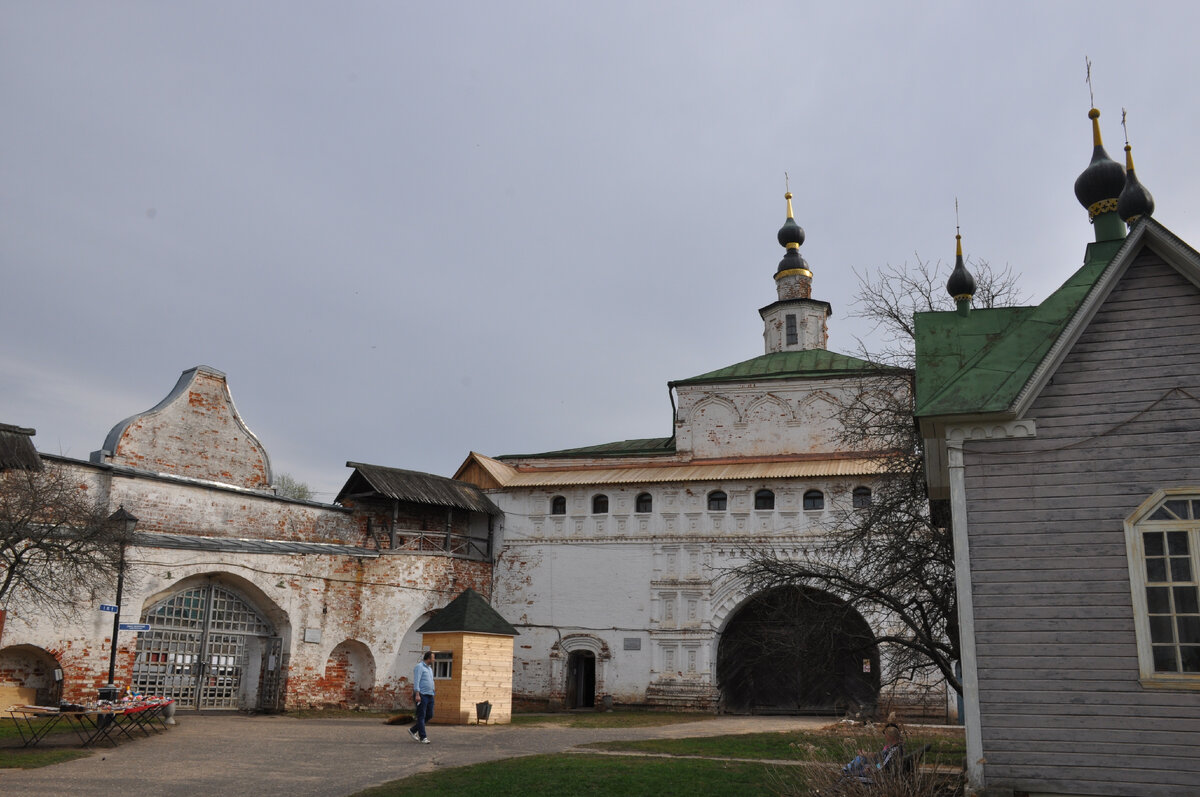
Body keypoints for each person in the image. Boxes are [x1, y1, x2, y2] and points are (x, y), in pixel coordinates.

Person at [408, 651, 436, 743]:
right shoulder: (419, 667)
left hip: (430, 694)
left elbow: (430, 680)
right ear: (428, 658)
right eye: (433, 658)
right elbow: (417, 680)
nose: (434, 659)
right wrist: (417, 693)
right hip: (422, 694)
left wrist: (433, 689)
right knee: (421, 715)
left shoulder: (430, 669)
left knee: (430, 714)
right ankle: (423, 737)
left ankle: (413, 730)